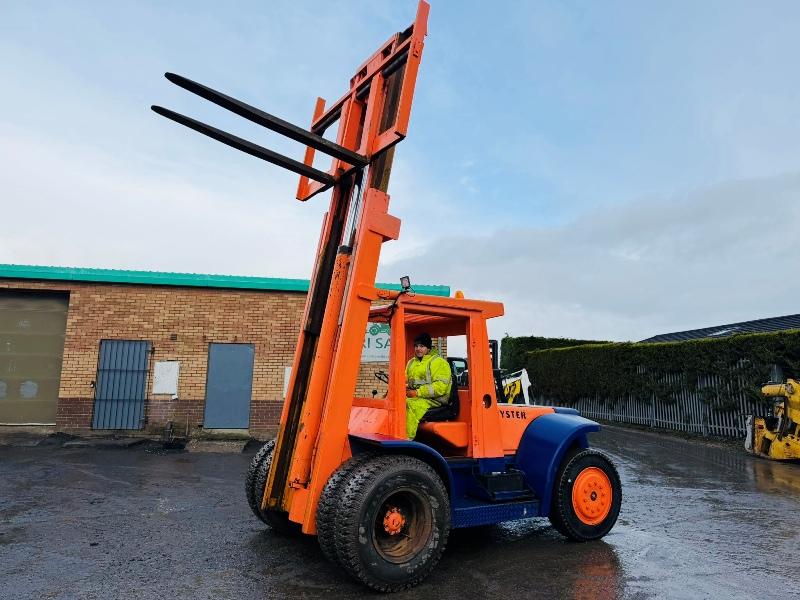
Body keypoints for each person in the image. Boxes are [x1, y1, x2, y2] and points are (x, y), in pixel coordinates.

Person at [405, 332, 452, 439]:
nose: (418, 349)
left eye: (422, 346)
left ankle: (406, 439)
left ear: (428, 348)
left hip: (436, 400)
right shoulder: (411, 363)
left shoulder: (438, 362)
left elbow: (440, 387)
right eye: (416, 346)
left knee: (409, 405)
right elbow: (406, 381)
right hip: (418, 397)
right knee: (395, 402)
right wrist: (403, 387)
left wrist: (417, 392)